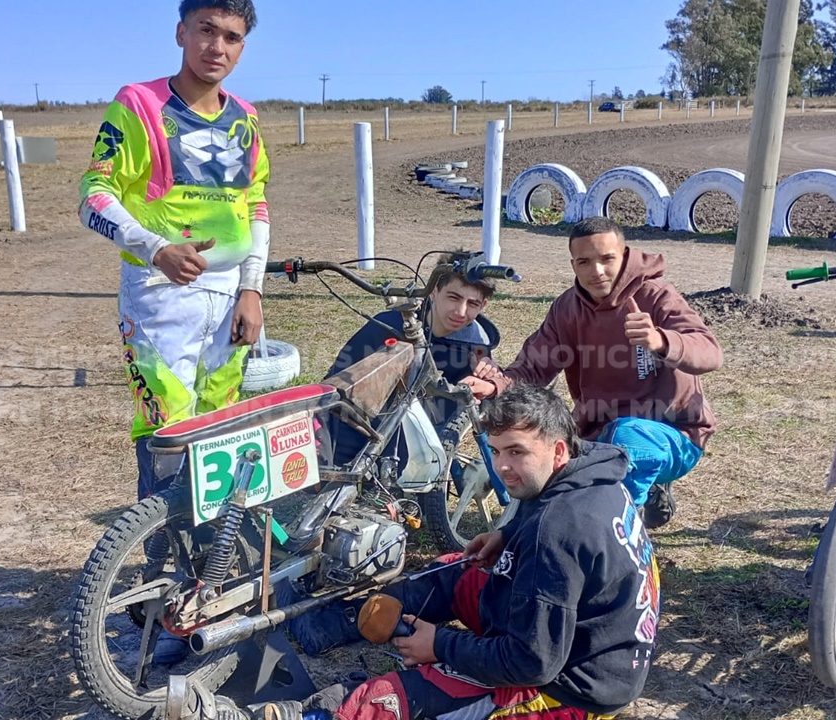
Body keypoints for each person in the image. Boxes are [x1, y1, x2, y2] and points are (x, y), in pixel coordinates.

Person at [175, 384, 659, 720]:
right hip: (584, 636)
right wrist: (508, 538)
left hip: (570, 691)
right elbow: (564, 538)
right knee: (461, 568)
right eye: (495, 450)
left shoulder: (559, 532)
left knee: (392, 699)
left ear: (557, 450)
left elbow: (531, 663)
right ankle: (338, 620)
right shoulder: (594, 470)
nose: (503, 466)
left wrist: (440, 646)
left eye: (517, 452)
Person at [78, 0, 269, 502]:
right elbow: (93, 196)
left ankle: (211, 559)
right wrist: (157, 248)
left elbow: (256, 208)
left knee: (221, 423)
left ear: (243, 47)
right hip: (160, 296)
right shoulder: (138, 103)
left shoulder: (246, 119)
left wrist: (251, 289)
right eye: (207, 31)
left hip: (230, 297)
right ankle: (159, 553)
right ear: (181, 32)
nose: (217, 47)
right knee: (167, 429)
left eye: (231, 37)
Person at [465, 217, 721, 528]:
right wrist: (494, 385)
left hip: (676, 435)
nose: (596, 271)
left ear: (624, 255)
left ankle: (622, 538)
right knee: (548, 450)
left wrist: (661, 340)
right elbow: (533, 366)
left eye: (606, 259)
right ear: (573, 264)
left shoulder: (656, 296)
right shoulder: (567, 309)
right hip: (597, 436)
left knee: (628, 440)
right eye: (584, 261)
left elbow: (710, 352)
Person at [319, 255, 500, 465]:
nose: (461, 311)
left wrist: (488, 377)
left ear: (484, 304)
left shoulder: (477, 344)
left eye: (472, 303)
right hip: (369, 427)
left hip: (428, 440)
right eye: (453, 297)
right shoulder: (389, 326)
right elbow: (339, 382)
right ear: (434, 290)